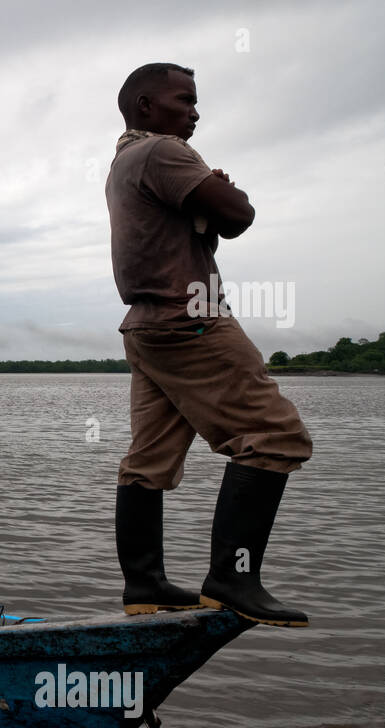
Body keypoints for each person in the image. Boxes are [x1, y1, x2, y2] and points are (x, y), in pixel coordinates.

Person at [105, 63, 312, 627]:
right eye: (185, 100)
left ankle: (144, 584)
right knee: (275, 437)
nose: (195, 112)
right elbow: (239, 215)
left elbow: (206, 222)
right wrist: (222, 189)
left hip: (146, 327)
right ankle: (232, 579)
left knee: (148, 461)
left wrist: (208, 198)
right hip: (189, 317)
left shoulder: (125, 161)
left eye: (196, 103)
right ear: (146, 106)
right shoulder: (163, 153)